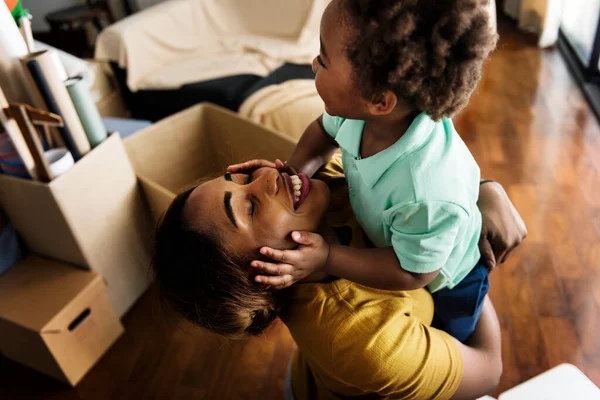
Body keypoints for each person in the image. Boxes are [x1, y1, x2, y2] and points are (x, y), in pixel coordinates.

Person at [228, 0, 499, 342]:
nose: (313, 63)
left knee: (449, 333)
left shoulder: (426, 192)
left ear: (380, 100)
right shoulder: (360, 114)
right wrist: (296, 172)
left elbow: (412, 270)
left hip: (450, 278)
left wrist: (329, 257)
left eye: (323, 60)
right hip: (403, 238)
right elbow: (322, 132)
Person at [152, 156, 527, 399]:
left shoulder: (327, 185)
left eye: (243, 176)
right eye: (249, 206)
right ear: (262, 277)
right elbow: (489, 368)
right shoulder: (366, 343)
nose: (268, 176)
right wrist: (466, 259)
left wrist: (482, 191)